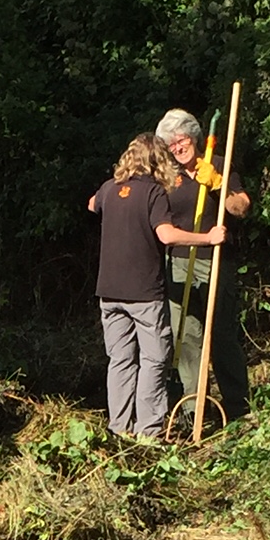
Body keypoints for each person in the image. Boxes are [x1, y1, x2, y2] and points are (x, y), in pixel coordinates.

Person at [88, 134, 226, 438]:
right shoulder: (153, 193)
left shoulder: (109, 190)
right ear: (157, 162)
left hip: (109, 292)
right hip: (143, 293)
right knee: (154, 360)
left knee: (120, 360)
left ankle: (119, 430)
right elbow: (166, 235)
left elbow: (91, 204)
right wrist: (208, 238)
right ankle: (148, 432)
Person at [155, 108, 251, 422]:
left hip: (215, 262)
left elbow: (241, 207)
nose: (177, 148)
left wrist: (217, 184)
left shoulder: (217, 164)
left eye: (181, 140)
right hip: (179, 263)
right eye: (170, 145)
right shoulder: (167, 175)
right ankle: (194, 411)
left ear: (194, 138)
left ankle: (238, 408)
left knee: (222, 335)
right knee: (187, 336)